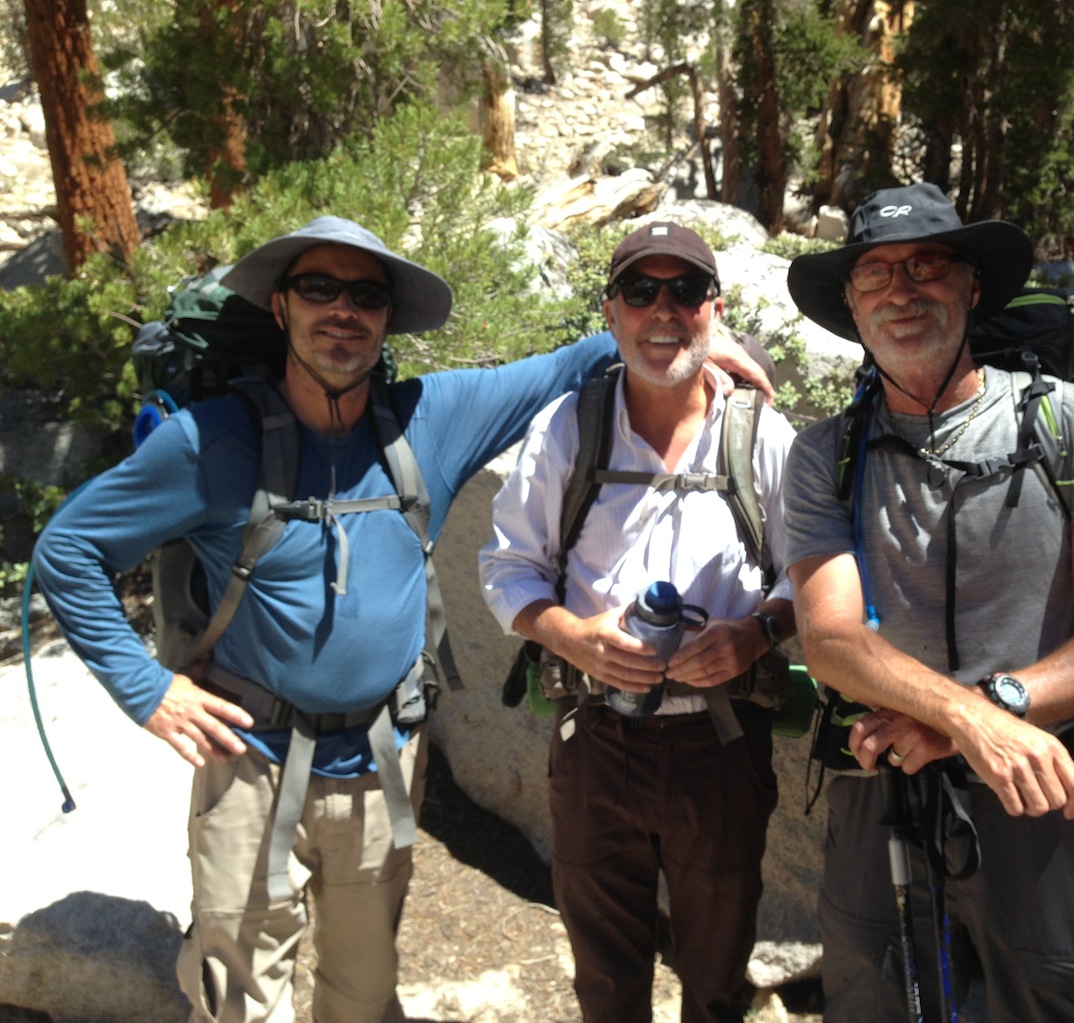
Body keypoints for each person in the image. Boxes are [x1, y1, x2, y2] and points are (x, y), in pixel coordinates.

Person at [33, 216, 771, 1023]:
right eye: (319, 288)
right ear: (280, 307)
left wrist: (691, 345)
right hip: (250, 759)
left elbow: (573, 360)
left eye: (367, 294)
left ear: (388, 317)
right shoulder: (209, 444)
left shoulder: (431, 419)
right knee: (242, 1001)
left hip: (381, 759)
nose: (343, 310)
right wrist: (146, 688)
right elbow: (68, 551)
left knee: (362, 994)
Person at [781, 184, 1074, 1022]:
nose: (901, 291)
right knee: (872, 997)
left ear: (972, 286)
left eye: (926, 266)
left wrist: (976, 716)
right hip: (881, 785)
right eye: (874, 274)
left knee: (1062, 1000)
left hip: (1041, 787)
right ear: (850, 303)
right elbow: (831, 637)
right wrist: (971, 722)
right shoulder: (823, 456)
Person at [478, 222, 797, 1023]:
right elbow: (506, 565)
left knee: (717, 972)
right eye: (642, 291)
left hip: (720, 745)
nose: (664, 311)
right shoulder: (566, 429)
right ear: (612, 312)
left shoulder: (759, 434)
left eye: (686, 291)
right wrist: (572, 637)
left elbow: (810, 575)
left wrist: (756, 632)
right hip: (596, 741)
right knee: (606, 975)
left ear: (714, 312)